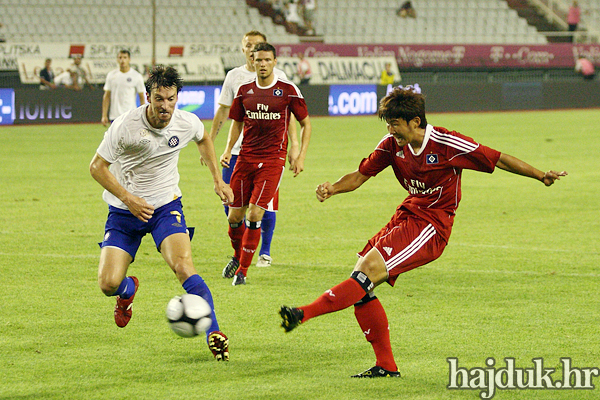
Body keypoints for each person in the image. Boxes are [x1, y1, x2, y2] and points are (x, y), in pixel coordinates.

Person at [279, 87, 567, 378]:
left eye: (396, 124)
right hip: (408, 214)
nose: (391, 130)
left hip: (433, 225)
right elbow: (360, 175)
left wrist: (540, 174)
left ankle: (302, 313)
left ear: (415, 122)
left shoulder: (447, 143)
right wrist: (333, 188)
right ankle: (386, 366)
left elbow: (498, 158)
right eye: (388, 124)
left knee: (365, 273)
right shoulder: (391, 144)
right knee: (361, 285)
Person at [89, 66, 234, 361]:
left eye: (170, 99)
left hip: (165, 206)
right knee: (108, 284)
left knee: (183, 266)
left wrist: (218, 180)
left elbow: (204, 139)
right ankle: (127, 292)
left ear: (177, 97)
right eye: (159, 99)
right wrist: (128, 198)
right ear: (148, 97)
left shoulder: (185, 122)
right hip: (123, 211)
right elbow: (96, 167)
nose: (165, 106)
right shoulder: (125, 126)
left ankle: (214, 332)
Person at [220, 42, 312, 286]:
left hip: (273, 161)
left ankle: (243, 270)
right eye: (257, 60)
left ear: (275, 62)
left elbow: (305, 123)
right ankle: (238, 256)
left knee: (255, 212)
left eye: (266, 60)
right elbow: (237, 123)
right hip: (245, 158)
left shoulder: (288, 90)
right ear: (252, 61)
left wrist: (299, 154)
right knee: (233, 217)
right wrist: (228, 150)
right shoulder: (243, 91)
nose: (262, 64)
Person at [101, 50, 146, 126]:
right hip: (115, 116)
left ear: (129, 59)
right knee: (115, 138)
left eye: (125, 57)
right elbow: (107, 96)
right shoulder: (111, 75)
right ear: (117, 59)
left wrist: (143, 115)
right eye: (120, 57)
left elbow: (142, 97)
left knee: (130, 138)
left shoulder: (136, 76)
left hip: (131, 116)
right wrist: (104, 115)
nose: (122, 60)